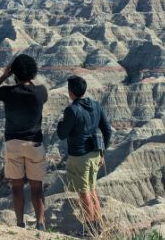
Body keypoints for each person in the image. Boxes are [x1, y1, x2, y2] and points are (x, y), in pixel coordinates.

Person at [0, 54, 48, 230]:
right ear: (33, 73)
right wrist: (28, 79)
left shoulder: (8, 92)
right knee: (37, 187)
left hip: (13, 145)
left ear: (15, 74)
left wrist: (5, 75)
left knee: (17, 187)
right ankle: (40, 224)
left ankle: (20, 223)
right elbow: (34, 88)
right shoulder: (41, 92)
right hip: (34, 145)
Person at [56, 75, 112, 235]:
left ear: (70, 92)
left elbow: (62, 134)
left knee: (83, 192)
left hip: (80, 156)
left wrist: (60, 121)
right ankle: (97, 223)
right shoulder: (95, 105)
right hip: (95, 154)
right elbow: (107, 130)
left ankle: (88, 229)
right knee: (92, 189)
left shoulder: (72, 110)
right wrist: (102, 152)